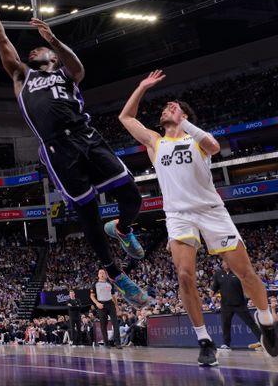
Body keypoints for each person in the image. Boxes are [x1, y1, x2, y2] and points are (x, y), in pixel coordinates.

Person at [0, 0, 149, 307]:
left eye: (38, 51)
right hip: (57, 149)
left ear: (52, 56)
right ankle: (115, 274)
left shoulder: (65, 73)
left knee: (132, 196)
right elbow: (2, 42)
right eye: (30, 53)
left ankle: (123, 229)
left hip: (86, 135)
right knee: (88, 213)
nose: (31, 53)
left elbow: (80, 69)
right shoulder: (21, 76)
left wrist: (53, 39)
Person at [118, 69, 277, 366]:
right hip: (178, 215)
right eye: (166, 107)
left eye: (174, 107)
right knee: (184, 274)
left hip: (211, 211)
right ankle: (204, 340)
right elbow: (126, 118)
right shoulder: (155, 142)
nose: (168, 108)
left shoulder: (197, 139)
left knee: (246, 272)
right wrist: (141, 86)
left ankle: (267, 321)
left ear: (185, 115)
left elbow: (214, 147)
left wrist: (184, 121)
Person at [211, 260, 262, 350]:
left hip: (240, 304)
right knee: (225, 325)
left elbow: (246, 285)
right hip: (226, 305)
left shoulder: (238, 273)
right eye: (224, 262)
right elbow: (214, 287)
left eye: (227, 262)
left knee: (251, 323)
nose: (226, 263)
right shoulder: (218, 274)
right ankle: (226, 344)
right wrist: (212, 292)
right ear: (222, 264)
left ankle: (262, 341)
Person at [90, 269, 121, 349]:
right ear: (98, 275)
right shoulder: (95, 284)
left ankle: (118, 343)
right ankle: (106, 343)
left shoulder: (110, 283)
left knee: (115, 323)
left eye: (103, 273)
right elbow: (92, 296)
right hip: (101, 304)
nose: (102, 274)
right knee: (103, 325)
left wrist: (116, 306)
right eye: (100, 273)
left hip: (110, 303)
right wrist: (97, 303)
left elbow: (114, 296)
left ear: (106, 275)